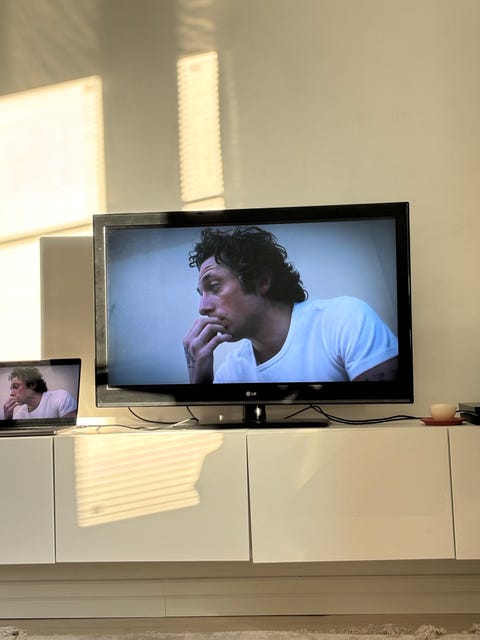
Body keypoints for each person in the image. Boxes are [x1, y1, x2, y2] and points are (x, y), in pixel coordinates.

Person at [183, 226, 399, 384]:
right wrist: (197, 377)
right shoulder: (231, 372)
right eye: (201, 294)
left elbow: (380, 415)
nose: (202, 308)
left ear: (262, 281)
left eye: (214, 286)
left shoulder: (344, 319)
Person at [3, 367, 77, 420]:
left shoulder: (60, 397)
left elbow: (70, 432)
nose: (11, 394)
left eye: (15, 386)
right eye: (11, 388)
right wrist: (8, 421)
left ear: (32, 384)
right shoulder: (19, 415)